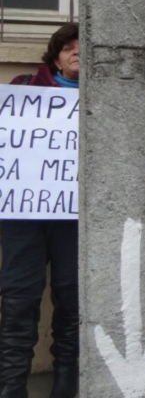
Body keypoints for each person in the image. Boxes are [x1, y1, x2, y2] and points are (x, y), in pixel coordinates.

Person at [0, 23, 80, 398]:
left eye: (84, 47)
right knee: (19, 296)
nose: (77, 52)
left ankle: (66, 378)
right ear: (56, 55)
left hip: (75, 217)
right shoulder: (22, 88)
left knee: (71, 294)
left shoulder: (108, 98)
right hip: (22, 216)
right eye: (69, 47)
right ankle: (11, 383)